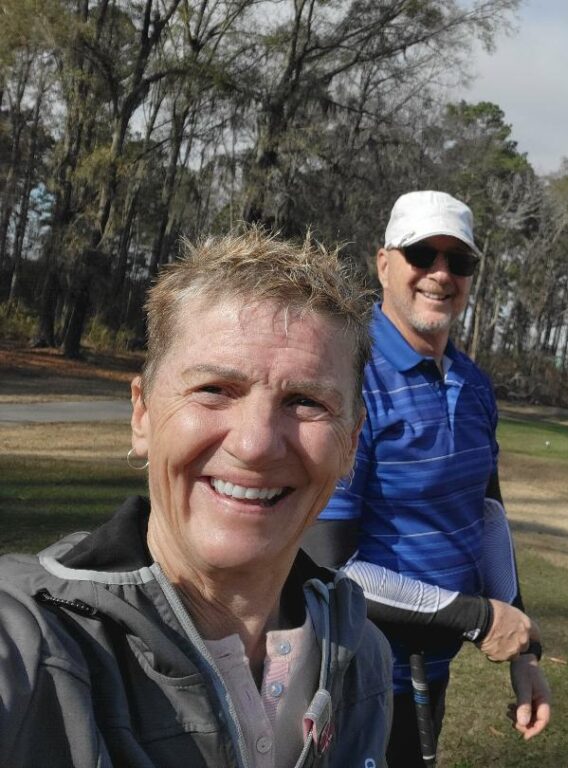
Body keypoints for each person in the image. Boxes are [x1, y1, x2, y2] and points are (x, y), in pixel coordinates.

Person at [0, 230, 392, 767]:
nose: (255, 445)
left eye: (305, 402)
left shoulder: (360, 657)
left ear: (350, 442)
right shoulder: (33, 640)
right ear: (142, 414)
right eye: (214, 390)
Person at [303, 190, 552, 766]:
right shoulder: (350, 379)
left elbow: (487, 515)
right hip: (347, 677)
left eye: (458, 261)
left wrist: (523, 649)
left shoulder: (474, 384)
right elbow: (329, 566)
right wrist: (478, 619)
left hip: (429, 673)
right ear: (384, 263)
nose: (441, 274)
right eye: (421, 254)